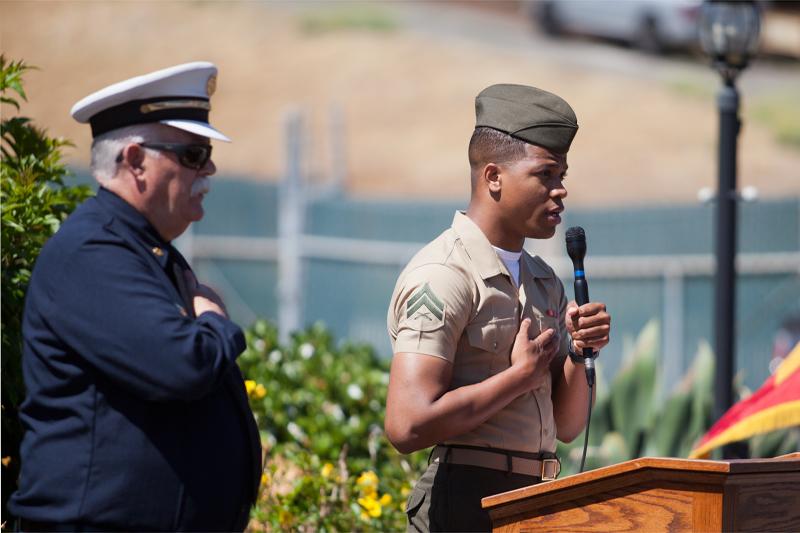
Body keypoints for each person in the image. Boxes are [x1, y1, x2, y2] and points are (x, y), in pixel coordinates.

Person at [8, 62, 262, 531]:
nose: (209, 167)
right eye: (192, 153)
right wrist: (216, 321)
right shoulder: (92, 252)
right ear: (135, 160)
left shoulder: (142, 249)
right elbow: (183, 364)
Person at [385, 84, 612, 532]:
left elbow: (567, 426)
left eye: (562, 174)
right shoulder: (444, 274)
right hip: (465, 499)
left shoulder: (544, 280)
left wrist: (581, 351)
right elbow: (407, 425)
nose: (560, 190)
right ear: (493, 177)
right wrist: (517, 379)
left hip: (534, 499)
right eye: (545, 174)